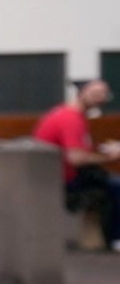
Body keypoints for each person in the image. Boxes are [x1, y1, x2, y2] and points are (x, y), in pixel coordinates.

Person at [32, 78, 120, 250]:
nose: (100, 99)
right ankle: (116, 237)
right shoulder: (71, 119)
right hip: (64, 179)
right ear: (82, 93)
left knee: (111, 183)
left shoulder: (63, 114)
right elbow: (76, 158)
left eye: (103, 94)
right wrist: (111, 157)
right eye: (96, 94)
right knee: (116, 187)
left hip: (49, 175)